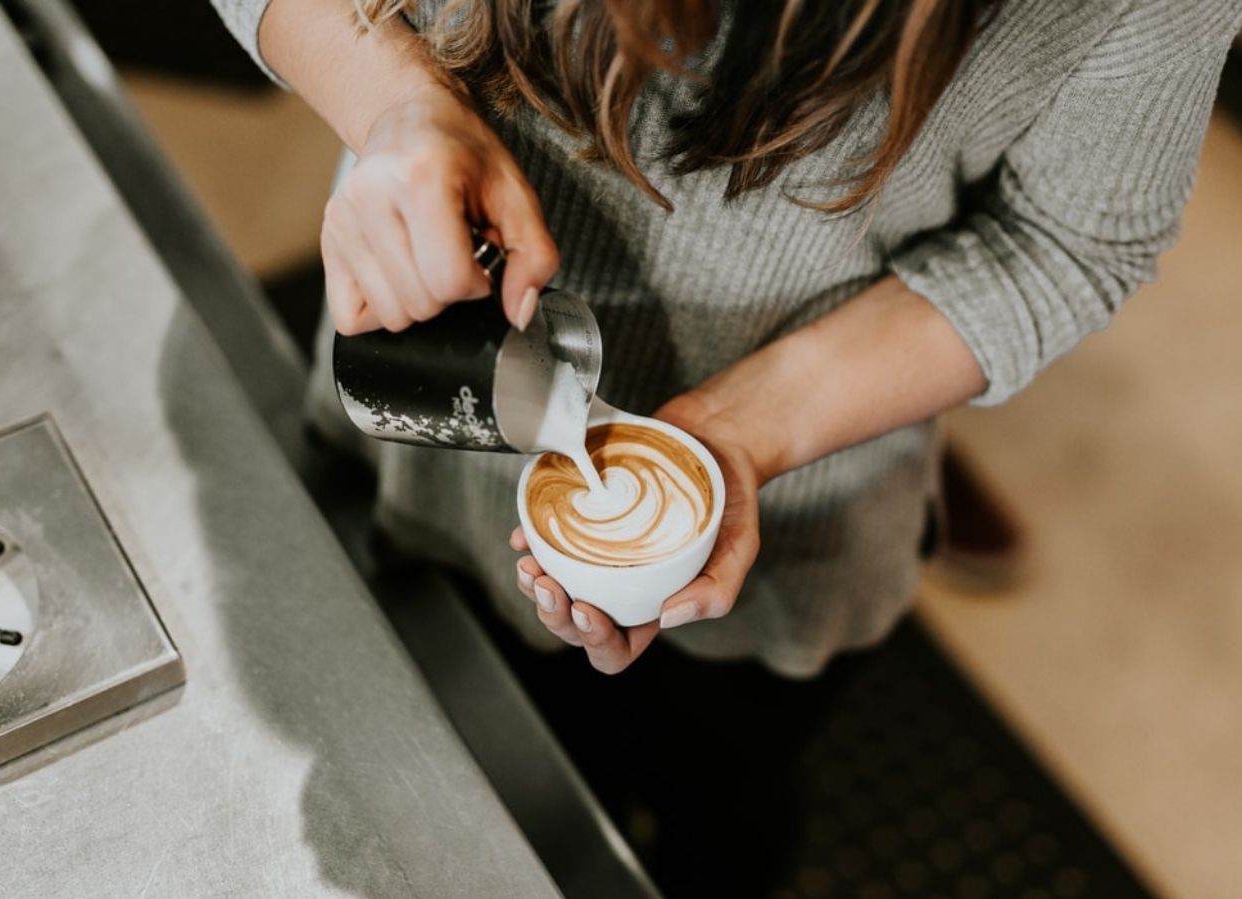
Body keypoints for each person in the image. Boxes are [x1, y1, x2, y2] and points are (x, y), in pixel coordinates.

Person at [210, 0, 1242, 677]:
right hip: (423, 432)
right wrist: (393, 103)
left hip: (792, 536)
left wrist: (751, 429)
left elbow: (1070, 240)